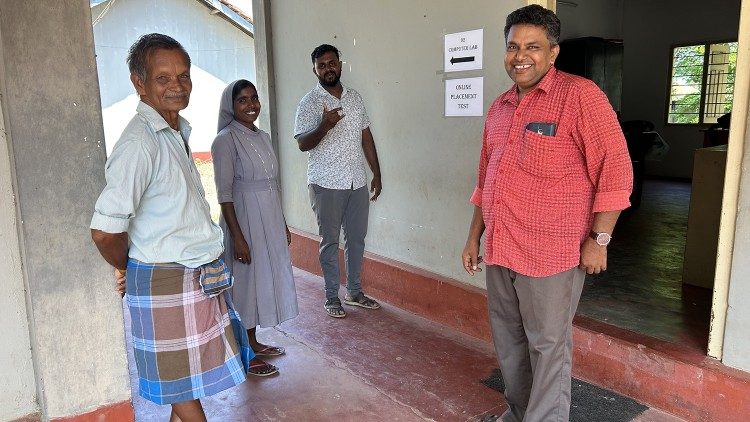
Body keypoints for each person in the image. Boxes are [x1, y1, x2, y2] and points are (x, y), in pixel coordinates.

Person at [461, 5, 633, 422]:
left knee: (548, 345)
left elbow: (616, 170)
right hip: (502, 248)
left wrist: (600, 239)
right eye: (513, 46)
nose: (521, 56)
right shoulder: (500, 108)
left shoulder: (580, 96)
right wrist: (473, 237)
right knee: (509, 342)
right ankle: (519, 412)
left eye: (533, 47)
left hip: (551, 254)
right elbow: (487, 180)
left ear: (552, 53)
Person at [90, 34, 251, 422]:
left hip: (193, 276)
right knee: (181, 389)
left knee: (187, 382)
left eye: (183, 75)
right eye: (162, 78)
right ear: (139, 82)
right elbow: (104, 230)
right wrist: (131, 268)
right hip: (164, 278)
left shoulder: (173, 131)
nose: (176, 85)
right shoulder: (140, 143)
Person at [212, 79, 299, 377]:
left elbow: (273, 185)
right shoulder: (225, 140)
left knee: (262, 280)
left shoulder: (263, 136)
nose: (251, 105)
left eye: (254, 98)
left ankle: (253, 341)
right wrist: (238, 238)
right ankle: (243, 353)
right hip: (244, 222)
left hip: (269, 219)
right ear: (231, 106)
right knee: (245, 284)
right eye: (242, 100)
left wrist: (283, 223)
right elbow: (224, 194)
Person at [294, 44, 383, 318]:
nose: (327, 68)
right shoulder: (309, 102)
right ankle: (332, 296)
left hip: (356, 180)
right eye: (321, 65)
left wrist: (376, 173)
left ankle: (354, 292)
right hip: (325, 183)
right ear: (314, 70)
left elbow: (365, 136)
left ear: (340, 65)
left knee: (356, 239)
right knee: (330, 242)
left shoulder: (355, 99)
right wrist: (324, 125)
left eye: (331, 63)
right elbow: (301, 143)